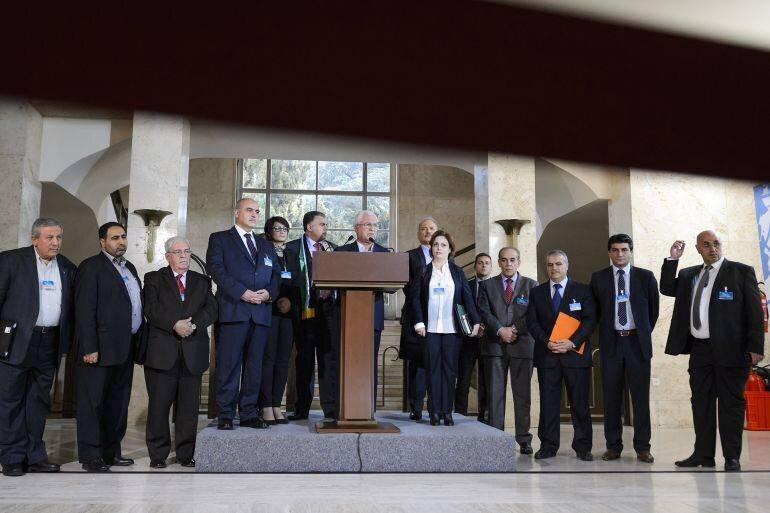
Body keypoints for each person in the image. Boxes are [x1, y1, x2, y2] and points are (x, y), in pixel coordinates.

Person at [661, 230, 764, 472]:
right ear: (698, 249)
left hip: (733, 351)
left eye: (716, 243)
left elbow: (755, 313)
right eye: (706, 245)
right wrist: (673, 259)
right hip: (700, 351)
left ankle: (731, 457)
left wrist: (756, 347)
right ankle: (703, 455)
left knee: (730, 404)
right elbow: (666, 288)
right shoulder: (689, 275)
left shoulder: (740, 272)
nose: (712, 248)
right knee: (701, 403)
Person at [0, 218, 75, 477]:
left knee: (38, 402)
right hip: (17, 342)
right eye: (49, 238)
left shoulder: (66, 266)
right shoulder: (11, 260)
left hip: (49, 343)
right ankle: (11, 457)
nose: (55, 243)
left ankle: (35, 456)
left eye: (59, 238)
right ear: (34, 239)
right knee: (10, 401)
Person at [143, 236, 217, 468]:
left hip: (192, 353)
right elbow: (151, 309)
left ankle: (186, 454)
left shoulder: (202, 281)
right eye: (178, 252)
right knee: (158, 408)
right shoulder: (154, 278)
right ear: (168, 256)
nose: (184, 255)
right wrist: (175, 324)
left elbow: (211, 309)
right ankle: (158, 455)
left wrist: (192, 325)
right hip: (162, 353)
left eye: (186, 250)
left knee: (188, 410)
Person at [75, 222, 144, 472]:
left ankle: (111, 452)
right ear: (102, 242)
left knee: (117, 403)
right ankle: (91, 456)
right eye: (115, 238)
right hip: (99, 350)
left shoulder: (130, 267)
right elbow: (84, 311)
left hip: (125, 348)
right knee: (92, 404)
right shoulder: (91, 267)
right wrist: (89, 347)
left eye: (123, 237)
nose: (121, 242)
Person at [207, 198, 281, 430]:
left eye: (257, 211)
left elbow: (277, 276)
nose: (254, 214)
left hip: (260, 313)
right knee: (229, 365)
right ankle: (226, 414)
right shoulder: (220, 239)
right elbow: (216, 270)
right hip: (233, 312)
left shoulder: (266, 245)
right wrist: (243, 293)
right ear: (236, 211)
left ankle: (249, 413)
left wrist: (268, 294)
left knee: (254, 367)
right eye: (249, 210)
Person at [590, 234, 659, 464]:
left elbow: (653, 313)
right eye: (615, 250)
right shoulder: (598, 278)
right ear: (609, 252)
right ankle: (613, 446)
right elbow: (595, 312)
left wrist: (639, 333)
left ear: (631, 251)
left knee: (640, 398)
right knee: (611, 398)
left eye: (624, 250)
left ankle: (642, 447)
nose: (620, 254)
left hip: (637, 344)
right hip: (611, 344)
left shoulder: (645, 277)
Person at [526, 250, 596, 461]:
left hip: (575, 356)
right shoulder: (537, 292)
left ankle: (583, 447)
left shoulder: (583, 290)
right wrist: (546, 341)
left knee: (580, 404)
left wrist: (572, 342)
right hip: (548, 356)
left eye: (558, 264)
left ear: (567, 266)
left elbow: (590, 320)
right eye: (549, 265)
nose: (554, 268)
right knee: (548, 404)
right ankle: (548, 445)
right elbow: (532, 322)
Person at [411, 230, 481, 426]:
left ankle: (447, 412)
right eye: (435, 244)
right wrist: (419, 322)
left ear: (450, 249)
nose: (439, 248)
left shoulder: (457, 272)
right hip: (430, 329)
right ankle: (434, 412)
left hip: (453, 330)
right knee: (433, 371)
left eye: (443, 245)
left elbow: (467, 297)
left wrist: (475, 321)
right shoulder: (423, 271)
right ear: (431, 248)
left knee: (450, 372)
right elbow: (415, 299)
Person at [477, 247, 537, 454]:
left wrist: (514, 330)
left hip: (522, 347)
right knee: (495, 395)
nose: (508, 264)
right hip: (494, 346)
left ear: (518, 262)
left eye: (512, 260)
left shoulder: (531, 285)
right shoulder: (487, 285)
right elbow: (484, 311)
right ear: (499, 263)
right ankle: (496, 438)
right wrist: (500, 330)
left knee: (522, 395)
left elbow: (532, 314)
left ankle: (524, 439)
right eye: (504, 260)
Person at [284, 211, 339, 420]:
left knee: (328, 360)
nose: (326, 228)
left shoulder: (331, 248)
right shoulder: (292, 248)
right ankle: (301, 408)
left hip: (328, 312)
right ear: (309, 227)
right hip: (303, 311)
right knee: (304, 361)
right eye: (322, 224)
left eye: (326, 224)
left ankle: (331, 408)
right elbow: (287, 277)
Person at [336, 210, 389, 407]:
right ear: (356, 228)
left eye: (375, 225)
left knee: (370, 364)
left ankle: (368, 408)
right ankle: (346, 406)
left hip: (373, 316)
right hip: (348, 316)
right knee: (348, 362)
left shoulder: (385, 253)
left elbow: (392, 285)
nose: (372, 228)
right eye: (368, 225)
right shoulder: (342, 252)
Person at [399, 217, 437, 421]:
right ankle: (415, 406)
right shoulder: (409, 256)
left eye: (431, 228)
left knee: (436, 364)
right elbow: (407, 287)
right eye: (423, 229)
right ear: (418, 233)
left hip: (440, 319)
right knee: (416, 366)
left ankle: (436, 406)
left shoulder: (446, 257)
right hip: (415, 316)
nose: (427, 232)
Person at [259, 216, 296, 425]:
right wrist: (276, 299)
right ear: (269, 231)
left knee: (283, 361)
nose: (282, 231)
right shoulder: (263, 250)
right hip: (269, 310)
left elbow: (297, 280)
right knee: (269, 359)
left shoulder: (291, 253)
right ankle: (265, 406)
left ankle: (276, 404)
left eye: (285, 228)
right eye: (277, 228)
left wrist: (289, 301)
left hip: (288, 313)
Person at [454, 252, 491, 421]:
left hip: (488, 339)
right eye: (480, 263)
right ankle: (460, 413)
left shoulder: (495, 286)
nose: (483, 266)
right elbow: (460, 308)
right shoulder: (466, 285)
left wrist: (485, 327)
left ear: (491, 266)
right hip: (468, 339)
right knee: (463, 379)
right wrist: (471, 328)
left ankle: (484, 416)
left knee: (486, 381)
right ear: (475, 266)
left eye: (487, 263)